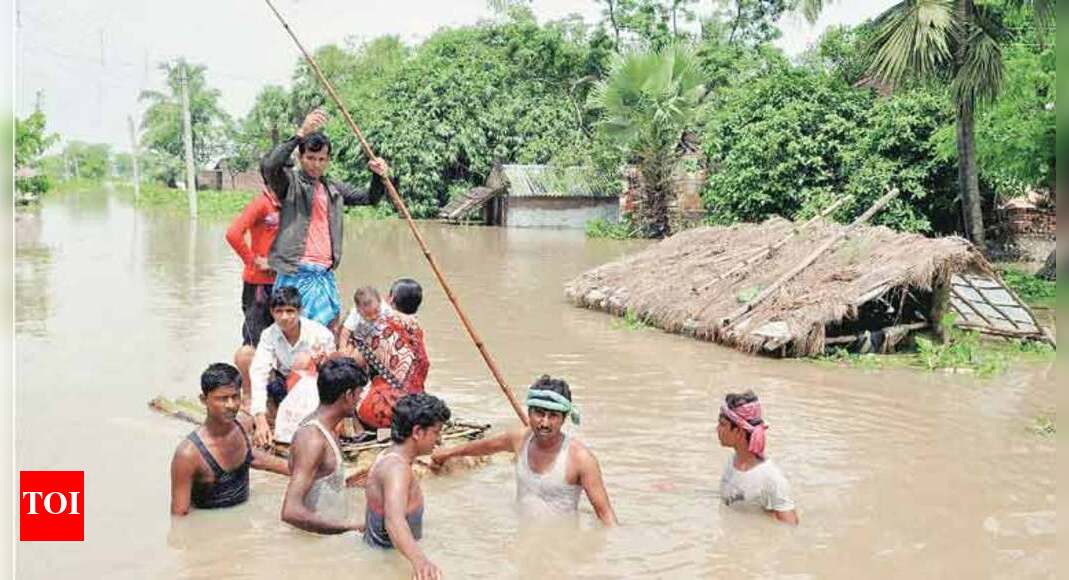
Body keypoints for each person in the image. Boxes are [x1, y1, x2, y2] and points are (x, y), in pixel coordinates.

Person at [260, 108, 394, 329]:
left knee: (327, 332)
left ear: (328, 161)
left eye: (322, 159)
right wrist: (300, 133)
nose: (316, 164)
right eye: (310, 158)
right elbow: (270, 166)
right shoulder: (290, 184)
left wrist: (378, 176)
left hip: (324, 273)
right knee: (294, 332)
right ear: (300, 157)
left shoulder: (332, 188)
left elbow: (369, 198)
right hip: (296, 270)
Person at [430, 375, 617, 526]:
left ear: (564, 418)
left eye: (553, 416)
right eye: (539, 414)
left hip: (561, 547)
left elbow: (606, 516)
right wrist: (447, 453)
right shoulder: (520, 439)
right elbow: (485, 446)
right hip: (523, 537)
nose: (545, 423)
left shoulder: (581, 459)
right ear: (529, 413)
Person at [170, 363, 289, 516]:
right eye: (222, 399)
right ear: (204, 400)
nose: (231, 405)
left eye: (235, 397)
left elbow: (252, 457)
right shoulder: (188, 455)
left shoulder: (243, 425)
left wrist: (299, 471)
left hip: (245, 518)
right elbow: (179, 518)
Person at [364, 393, 449, 580]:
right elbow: (394, 521)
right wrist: (421, 562)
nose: (439, 440)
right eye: (436, 432)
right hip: (389, 567)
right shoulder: (397, 469)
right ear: (417, 432)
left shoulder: (386, 456)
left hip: (378, 562)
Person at [280, 357, 369, 534]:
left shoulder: (327, 430)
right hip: (313, 542)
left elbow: (320, 481)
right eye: (359, 394)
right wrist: (351, 527)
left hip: (329, 537)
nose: (360, 400)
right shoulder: (312, 439)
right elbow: (290, 511)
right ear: (348, 395)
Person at [249, 286, 336, 447]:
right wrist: (259, 419)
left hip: (313, 387)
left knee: (303, 361)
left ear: (300, 311)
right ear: (272, 312)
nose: (284, 317)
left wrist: (318, 362)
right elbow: (259, 372)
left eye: (290, 311)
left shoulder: (320, 334)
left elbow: (333, 371)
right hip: (284, 384)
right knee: (249, 359)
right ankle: (266, 412)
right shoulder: (269, 335)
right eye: (279, 311)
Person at [225, 183, 281, 409]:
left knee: (278, 341)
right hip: (258, 283)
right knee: (253, 342)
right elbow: (233, 233)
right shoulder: (261, 204)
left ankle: (270, 395)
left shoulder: (289, 203)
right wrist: (252, 261)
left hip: (282, 282)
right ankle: (248, 396)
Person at [352, 279, 430, 430]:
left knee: (343, 376)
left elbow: (354, 362)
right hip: (416, 408)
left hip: (384, 412)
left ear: (391, 298)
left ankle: (355, 428)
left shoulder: (380, 325)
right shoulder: (417, 328)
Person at [716, 390, 798, 525]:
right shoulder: (733, 461)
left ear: (739, 431)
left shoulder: (772, 479)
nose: (717, 429)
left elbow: (790, 527)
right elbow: (729, 500)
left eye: (722, 424)